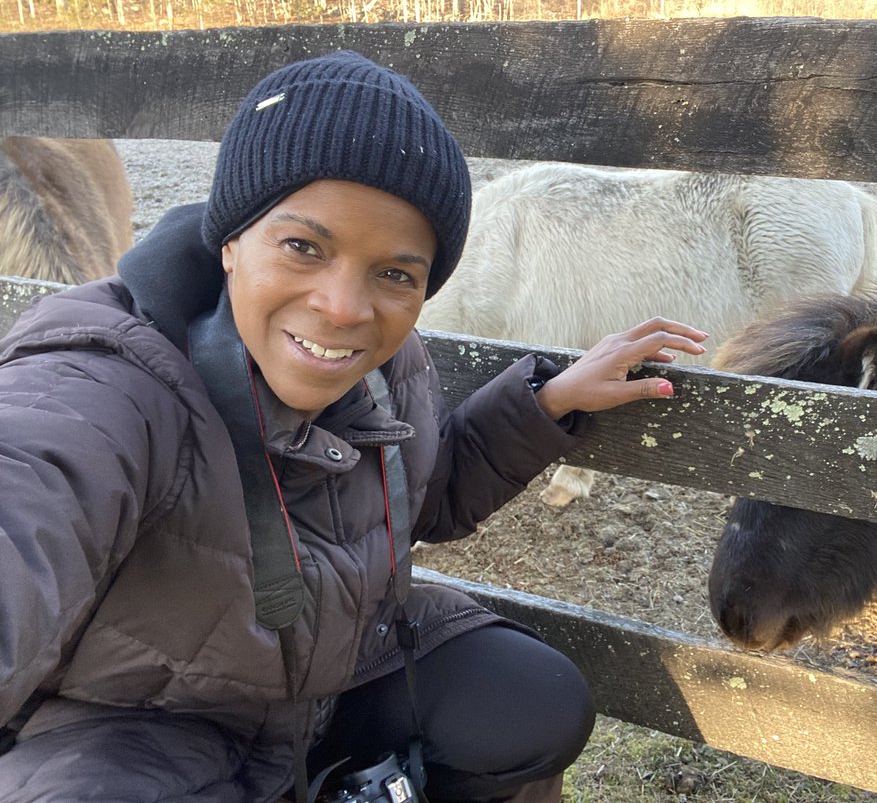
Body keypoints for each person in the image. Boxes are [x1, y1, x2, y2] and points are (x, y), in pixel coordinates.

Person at [0, 50, 708, 802]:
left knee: (530, 702)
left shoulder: (386, 365)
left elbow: (419, 497)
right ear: (231, 239)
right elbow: (34, 496)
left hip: (332, 671)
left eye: (394, 273)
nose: (343, 308)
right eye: (304, 247)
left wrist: (545, 403)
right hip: (139, 727)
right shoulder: (99, 380)